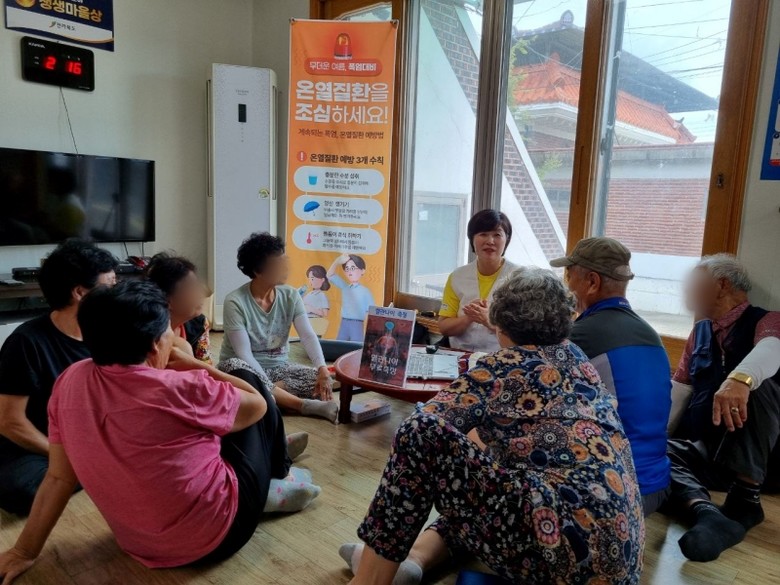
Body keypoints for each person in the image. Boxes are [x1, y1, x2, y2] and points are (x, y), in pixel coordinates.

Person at [0, 281, 321, 584]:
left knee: (209, 420)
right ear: (155, 345)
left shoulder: (69, 380)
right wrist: (199, 366)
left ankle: (270, 457)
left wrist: (23, 551)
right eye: (168, 329)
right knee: (244, 375)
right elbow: (258, 406)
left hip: (139, 543)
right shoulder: (181, 386)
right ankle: (273, 481)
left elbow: (58, 477)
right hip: (220, 535)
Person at [340, 267, 645, 585]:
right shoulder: (578, 359)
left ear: (499, 324)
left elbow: (424, 430)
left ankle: (369, 580)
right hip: (617, 557)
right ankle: (416, 558)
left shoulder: (500, 368)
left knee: (419, 435)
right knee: (489, 479)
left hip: (557, 554)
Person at [664, 254, 780, 562]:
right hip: (709, 451)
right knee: (645, 452)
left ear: (721, 285)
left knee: (758, 385)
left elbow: (772, 348)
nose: (686, 289)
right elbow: (681, 389)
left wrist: (740, 379)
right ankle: (706, 514)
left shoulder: (768, 320)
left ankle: (745, 501)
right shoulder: (700, 331)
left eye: (694, 282)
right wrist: (656, 440)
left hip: (760, 462)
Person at [552, 237, 672, 516]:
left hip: (615, 491)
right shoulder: (650, 332)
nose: (567, 285)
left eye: (569, 275)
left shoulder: (581, 335)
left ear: (592, 282)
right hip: (656, 486)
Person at [0, 239, 118, 516]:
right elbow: (9, 422)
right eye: (110, 285)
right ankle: (93, 468)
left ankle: (89, 469)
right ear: (79, 292)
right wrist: (66, 455)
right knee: (21, 489)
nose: (117, 293)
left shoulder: (111, 333)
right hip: (39, 444)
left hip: (90, 438)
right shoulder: (26, 342)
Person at [219, 232, 339, 423]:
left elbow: (307, 336)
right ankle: (303, 405)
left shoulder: (291, 295)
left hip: (279, 367)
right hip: (243, 368)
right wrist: (263, 382)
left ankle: (263, 397)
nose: (285, 268)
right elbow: (244, 354)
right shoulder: (235, 301)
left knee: (318, 379)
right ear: (258, 271)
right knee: (235, 366)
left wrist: (322, 369)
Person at [438, 209, 518, 352]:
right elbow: (444, 327)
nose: (490, 241)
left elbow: (525, 334)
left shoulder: (519, 279)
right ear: (472, 239)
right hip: (459, 355)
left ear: (507, 240)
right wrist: (468, 318)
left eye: (497, 235)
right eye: (483, 234)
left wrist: (489, 321)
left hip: (501, 357)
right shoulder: (457, 277)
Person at [145, 252, 213, 363]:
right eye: (190, 288)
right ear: (167, 299)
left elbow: (206, 365)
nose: (200, 293)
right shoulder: (146, 329)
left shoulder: (199, 323)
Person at [327, 253, 375, 342]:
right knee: (339, 346)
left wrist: (371, 332)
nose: (349, 272)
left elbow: (371, 312)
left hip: (357, 324)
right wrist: (337, 261)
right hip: (344, 323)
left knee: (356, 347)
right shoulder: (345, 287)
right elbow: (329, 275)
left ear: (362, 271)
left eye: (353, 268)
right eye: (347, 269)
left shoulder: (365, 291)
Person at [300, 264, 330, 337]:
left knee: (314, 340)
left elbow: (325, 313)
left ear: (322, 280)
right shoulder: (309, 294)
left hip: (315, 323)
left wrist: (311, 309)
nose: (310, 281)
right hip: (306, 322)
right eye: (309, 279)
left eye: (313, 279)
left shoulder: (321, 295)